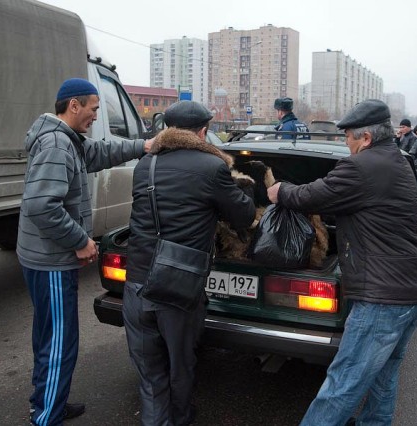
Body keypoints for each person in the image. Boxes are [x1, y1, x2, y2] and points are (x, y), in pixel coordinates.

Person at [267, 99, 417, 425]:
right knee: (384, 377)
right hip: (411, 293)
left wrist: (279, 190)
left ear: (366, 138)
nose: (346, 143)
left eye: (348, 137)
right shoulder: (396, 161)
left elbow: (311, 195)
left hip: (383, 299)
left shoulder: (362, 166)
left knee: (344, 382)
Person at [17, 78, 154, 425]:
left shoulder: (70, 142)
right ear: (73, 106)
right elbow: (41, 206)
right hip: (50, 261)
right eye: (93, 108)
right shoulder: (57, 146)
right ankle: (46, 417)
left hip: (44, 257)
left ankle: (47, 402)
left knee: (49, 336)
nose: (96, 115)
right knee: (60, 343)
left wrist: (146, 145)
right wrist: (81, 240)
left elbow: (102, 153)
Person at [123, 101, 255, 425]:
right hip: (178, 290)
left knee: (151, 375)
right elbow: (245, 215)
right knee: (181, 368)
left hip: (137, 284)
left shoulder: (145, 165)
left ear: (166, 128)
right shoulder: (211, 168)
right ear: (204, 131)